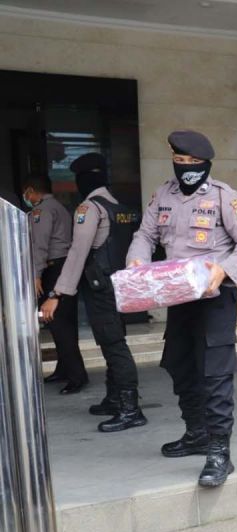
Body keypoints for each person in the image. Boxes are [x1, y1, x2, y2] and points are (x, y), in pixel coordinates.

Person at [126, 130, 237, 488]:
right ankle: (196, 433)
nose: (185, 169)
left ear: (205, 164)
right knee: (179, 363)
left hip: (216, 297)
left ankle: (219, 451)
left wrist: (226, 270)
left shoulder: (224, 198)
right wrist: (138, 261)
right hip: (178, 296)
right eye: (179, 162)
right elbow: (145, 234)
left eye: (192, 163)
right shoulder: (163, 196)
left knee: (215, 373)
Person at [41, 153, 145, 432]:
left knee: (114, 345)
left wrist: (57, 293)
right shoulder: (119, 206)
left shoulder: (90, 208)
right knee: (113, 340)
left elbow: (78, 252)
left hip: (101, 288)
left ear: (82, 180)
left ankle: (129, 408)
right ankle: (114, 398)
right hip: (119, 285)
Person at [22, 173, 88, 394]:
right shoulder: (59, 206)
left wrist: (36, 274)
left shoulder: (42, 210)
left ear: (31, 190)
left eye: (27, 194)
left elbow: (39, 244)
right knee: (65, 323)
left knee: (58, 324)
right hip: (64, 268)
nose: (27, 197)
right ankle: (64, 369)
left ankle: (77, 376)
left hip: (54, 269)